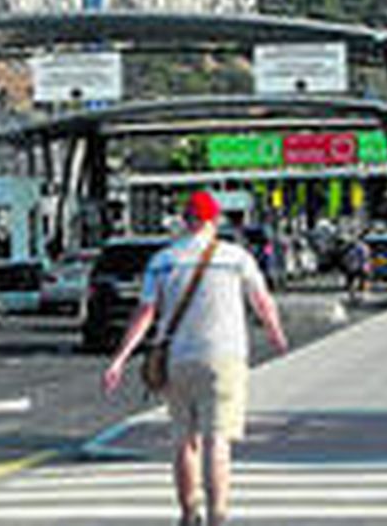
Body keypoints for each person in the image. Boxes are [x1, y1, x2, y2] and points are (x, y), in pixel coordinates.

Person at [102, 191, 288, 526]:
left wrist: (119, 358)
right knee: (217, 441)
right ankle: (218, 515)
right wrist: (275, 332)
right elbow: (262, 301)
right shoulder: (237, 257)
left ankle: (189, 512)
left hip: (177, 359)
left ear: (186, 220)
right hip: (226, 357)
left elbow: (146, 313)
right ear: (214, 221)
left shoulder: (163, 260)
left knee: (184, 442)